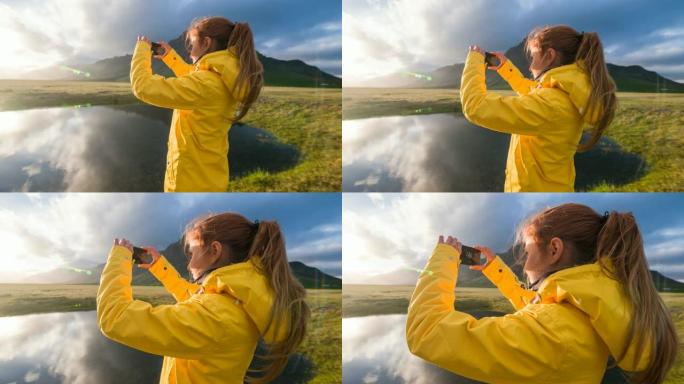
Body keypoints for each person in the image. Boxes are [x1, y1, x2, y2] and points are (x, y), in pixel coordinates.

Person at [406, 203, 677, 383]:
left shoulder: (556, 333)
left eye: (528, 250)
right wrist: (494, 268)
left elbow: (426, 331)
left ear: (554, 250)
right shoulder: (597, 304)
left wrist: (443, 258)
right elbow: (538, 306)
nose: (523, 262)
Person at [97, 212, 309, 384]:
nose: (189, 265)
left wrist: (119, 257)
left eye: (193, 252)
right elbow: (194, 298)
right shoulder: (239, 297)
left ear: (214, 251)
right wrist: (159, 267)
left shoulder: (217, 316)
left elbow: (115, 317)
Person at [460, 25, 617, 192]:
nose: (530, 67)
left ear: (549, 56)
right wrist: (505, 68)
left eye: (534, 56)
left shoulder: (552, 105)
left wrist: (475, 59)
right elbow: (533, 91)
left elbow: (475, 105)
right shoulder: (565, 93)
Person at [131, 16, 263, 192]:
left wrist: (142, 49)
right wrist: (171, 58)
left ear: (207, 43)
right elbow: (195, 79)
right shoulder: (225, 75)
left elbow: (143, 87)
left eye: (192, 45)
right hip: (208, 176)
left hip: (189, 181)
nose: (190, 52)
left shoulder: (207, 84)